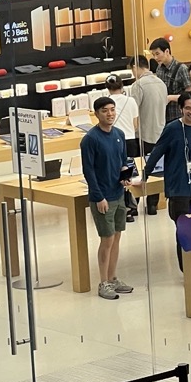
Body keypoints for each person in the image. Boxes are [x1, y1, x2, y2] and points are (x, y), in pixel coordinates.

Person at [141, 90, 191, 280]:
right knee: (184, 229)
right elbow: (157, 151)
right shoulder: (173, 128)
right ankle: (188, 269)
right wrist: (145, 174)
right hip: (178, 188)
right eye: (187, 108)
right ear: (181, 109)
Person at [81, 97, 134, 300]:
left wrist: (125, 178)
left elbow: (123, 162)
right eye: (105, 110)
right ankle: (103, 282)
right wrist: (98, 196)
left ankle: (112, 278)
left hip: (118, 194)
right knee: (107, 239)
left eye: (112, 110)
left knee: (117, 236)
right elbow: (89, 171)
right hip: (103, 197)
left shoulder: (119, 135)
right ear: (97, 113)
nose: (110, 114)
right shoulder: (91, 139)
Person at [129, 54, 167, 216]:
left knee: (139, 169)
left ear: (136, 67)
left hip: (144, 134)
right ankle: (152, 205)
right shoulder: (161, 83)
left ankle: (134, 205)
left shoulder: (138, 85)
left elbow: (133, 110)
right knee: (156, 170)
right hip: (160, 131)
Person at [106, 75, 141, 220]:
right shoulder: (131, 101)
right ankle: (134, 206)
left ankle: (122, 207)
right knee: (131, 174)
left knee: (117, 173)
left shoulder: (106, 103)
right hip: (131, 140)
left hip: (114, 141)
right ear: (122, 86)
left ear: (107, 88)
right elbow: (135, 124)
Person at [150, 37, 191, 124]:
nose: (155, 57)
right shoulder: (159, 69)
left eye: (157, 54)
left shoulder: (182, 68)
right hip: (163, 116)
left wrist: (170, 98)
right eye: (153, 55)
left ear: (167, 51)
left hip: (178, 115)